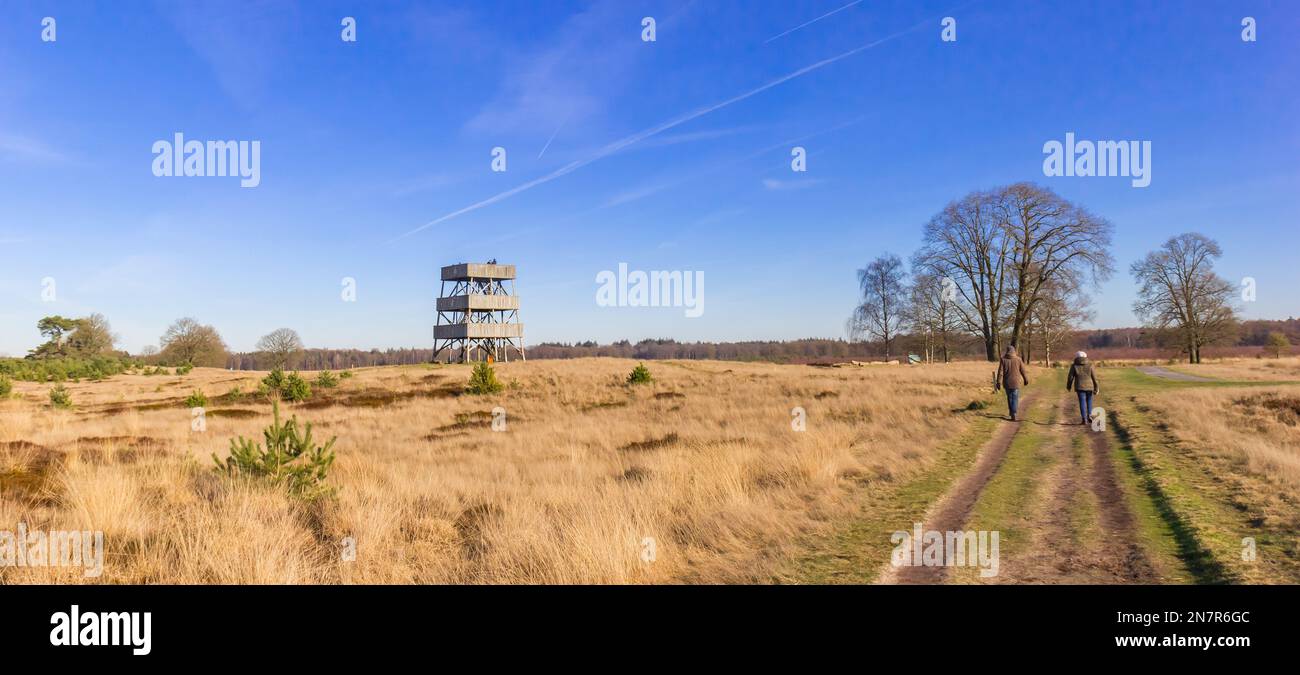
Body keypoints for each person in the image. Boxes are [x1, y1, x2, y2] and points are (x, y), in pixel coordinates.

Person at [994, 344, 1030, 421]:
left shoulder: (1003, 359)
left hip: (1007, 382)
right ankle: (1014, 412)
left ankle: (1011, 412)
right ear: (1014, 351)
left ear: (1007, 351)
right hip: (1016, 382)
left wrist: (998, 382)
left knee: (1009, 398)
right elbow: (1023, 371)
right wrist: (1025, 379)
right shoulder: (1018, 359)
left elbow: (1000, 372)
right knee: (1015, 398)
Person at [1066, 351, 1099, 425]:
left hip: (1079, 386)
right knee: (1089, 401)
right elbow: (1094, 378)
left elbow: (1070, 377)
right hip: (1090, 386)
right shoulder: (1090, 365)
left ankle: (1084, 419)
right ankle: (1090, 416)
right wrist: (1096, 387)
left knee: (1082, 402)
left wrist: (1069, 386)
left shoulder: (1074, 365)